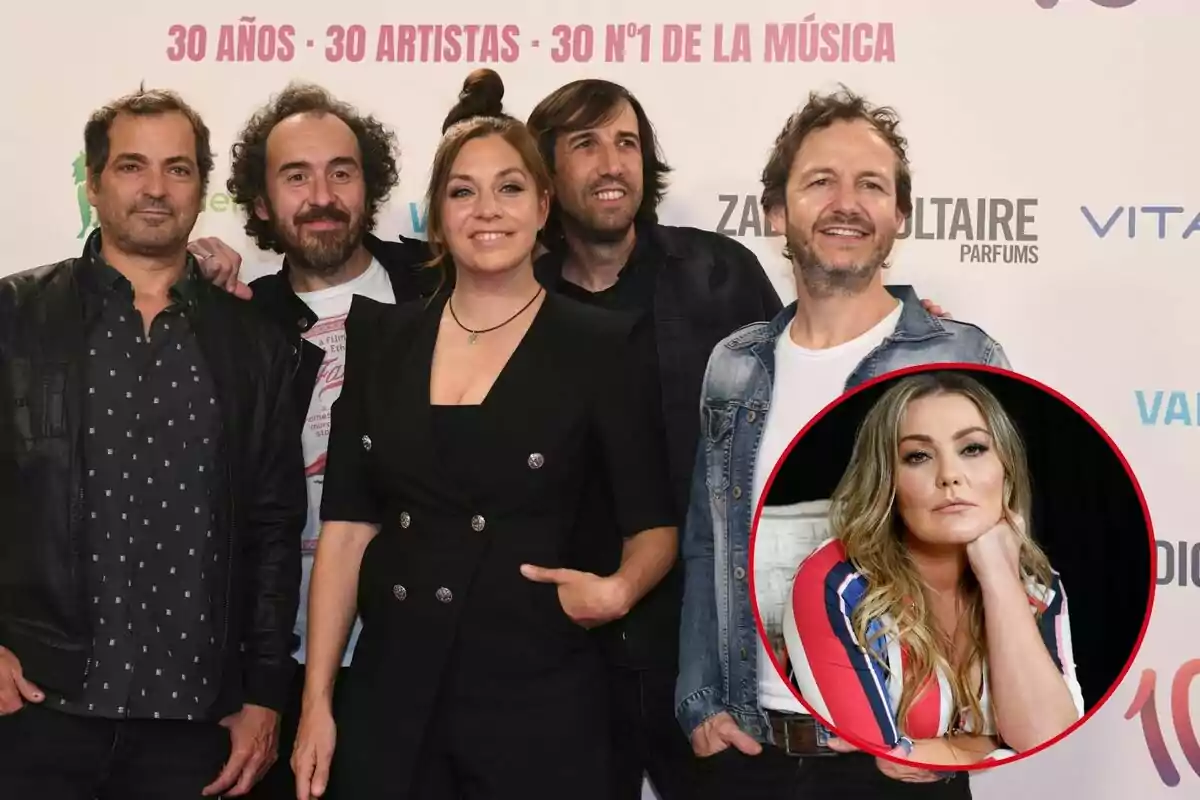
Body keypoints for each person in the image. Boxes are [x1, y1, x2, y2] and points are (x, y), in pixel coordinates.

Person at [289, 69, 676, 800]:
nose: (486, 210)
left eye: (509, 188)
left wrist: (618, 591)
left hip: (543, 699)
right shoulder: (383, 341)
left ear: (543, 206)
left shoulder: (602, 344)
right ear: (437, 215)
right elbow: (344, 530)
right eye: (463, 191)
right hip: (391, 698)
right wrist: (316, 704)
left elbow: (656, 524)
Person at [675, 86, 1012, 799]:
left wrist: (969, 733)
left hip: (904, 762)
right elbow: (708, 540)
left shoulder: (959, 358)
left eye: (870, 185)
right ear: (776, 212)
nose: (846, 203)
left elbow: (1004, 555)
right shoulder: (735, 364)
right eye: (820, 182)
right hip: (753, 751)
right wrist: (700, 699)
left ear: (898, 216)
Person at [0, 87, 306, 798]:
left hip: (197, 726)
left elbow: (271, 527)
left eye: (178, 168)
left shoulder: (256, 344)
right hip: (37, 710)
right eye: (133, 166)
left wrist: (264, 692)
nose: (156, 189)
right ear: (94, 180)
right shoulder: (15, 317)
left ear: (202, 186)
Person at [524, 77, 783, 800]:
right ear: (544, 174)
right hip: (565, 649)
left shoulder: (719, 274)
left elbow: (805, 389)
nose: (612, 163)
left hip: (710, 647)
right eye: (586, 144)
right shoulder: (514, 300)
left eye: (627, 142)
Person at [190, 82, 436, 800]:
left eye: (342, 170)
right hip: (282, 667)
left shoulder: (443, 290)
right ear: (261, 204)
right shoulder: (240, 321)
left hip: (424, 657)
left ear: (370, 185)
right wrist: (191, 287)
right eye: (296, 176)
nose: (322, 194)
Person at [783, 370, 1083, 766]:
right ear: (887, 481)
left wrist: (998, 576)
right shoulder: (835, 581)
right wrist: (987, 745)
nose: (950, 476)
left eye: (973, 449)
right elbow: (888, 764)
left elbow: (1049, 741)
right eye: (918, 456)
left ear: (1005, 470)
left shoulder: (1037, 586)